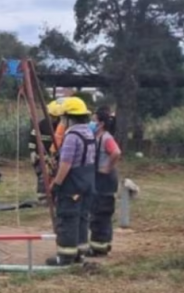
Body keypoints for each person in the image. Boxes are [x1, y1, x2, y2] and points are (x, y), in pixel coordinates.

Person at [46, 96, 96, 266]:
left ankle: (65, 256)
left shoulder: (72, 136)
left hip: (72, 183)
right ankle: (79, 253)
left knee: (67, 218)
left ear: (68, 117)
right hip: (87, 182)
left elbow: (66, 163)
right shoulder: (89, 132)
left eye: (62, 118)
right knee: (82, 217)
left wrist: (56, 184)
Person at [89, 106, 123, 256]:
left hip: (105, 181)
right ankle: (100, 245)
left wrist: (107, 168)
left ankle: (100, 248)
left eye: (94, 120)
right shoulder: (96, 137)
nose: (91, 122)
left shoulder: (106, 138)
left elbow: (116, 152)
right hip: (99, 180)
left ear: (101, 123)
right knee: (97, 214)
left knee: (101, 214)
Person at [29, 101, 63, 201]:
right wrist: (32, 152)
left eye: (55, 117)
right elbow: (32, 139)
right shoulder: (41, 125)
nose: (53, 119)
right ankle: (43, 196)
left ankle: (54, 195)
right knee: (42, 174)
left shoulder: (61, 126)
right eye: (52, 116)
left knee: (56, 174)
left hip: (56, 155)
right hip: (42, 155)